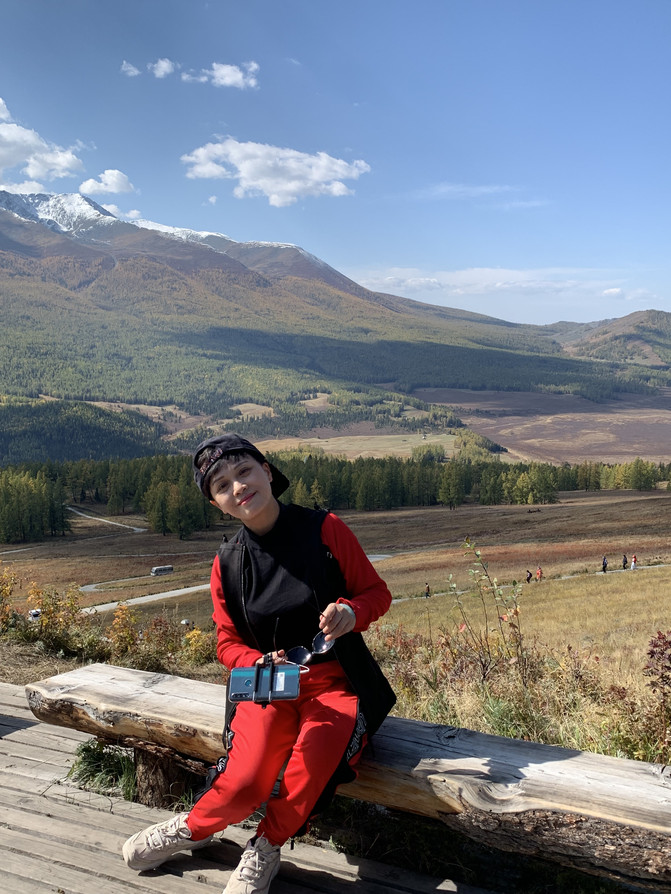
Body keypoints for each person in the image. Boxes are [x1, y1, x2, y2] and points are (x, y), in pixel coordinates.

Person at [123, 434, 396, 894]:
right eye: (222, 485)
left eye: (244, 471)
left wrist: (351, 612)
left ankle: (265, 847)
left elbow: (376, 593)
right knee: (246, 780)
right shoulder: (227, 562)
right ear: (216, 504)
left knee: (311, 767)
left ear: (267, 471)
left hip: (335, 683)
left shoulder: (325, 529)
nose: (238, 487)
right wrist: (255, 660)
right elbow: (226, 644)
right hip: (267, 684)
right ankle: (194, 827)